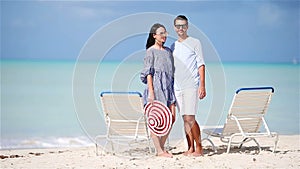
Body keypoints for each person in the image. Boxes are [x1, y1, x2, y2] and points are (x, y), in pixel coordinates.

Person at [171, 15, 206, 157]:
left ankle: (199, 147)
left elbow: (201, 64)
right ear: (174, 28)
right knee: (184, 119)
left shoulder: (195, 42)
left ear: (187, 26)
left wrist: (202, 86)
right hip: (177, 87)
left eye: (183, 25)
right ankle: (190, 147)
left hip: (191, 85)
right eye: (178, 26)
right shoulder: (173, 46)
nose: (181, 28)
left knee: (190, 117)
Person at [141, 23, 176, 158]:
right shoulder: (150, 51)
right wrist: (151, 91)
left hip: (168, 88)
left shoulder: (168, 51)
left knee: (171, 118)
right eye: (161, 33)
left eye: (165, 33)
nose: (164, 36)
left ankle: (160, 148)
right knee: (155, 120)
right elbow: (148, 73)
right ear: (154, 35)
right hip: (155, 88)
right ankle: (160, 151)